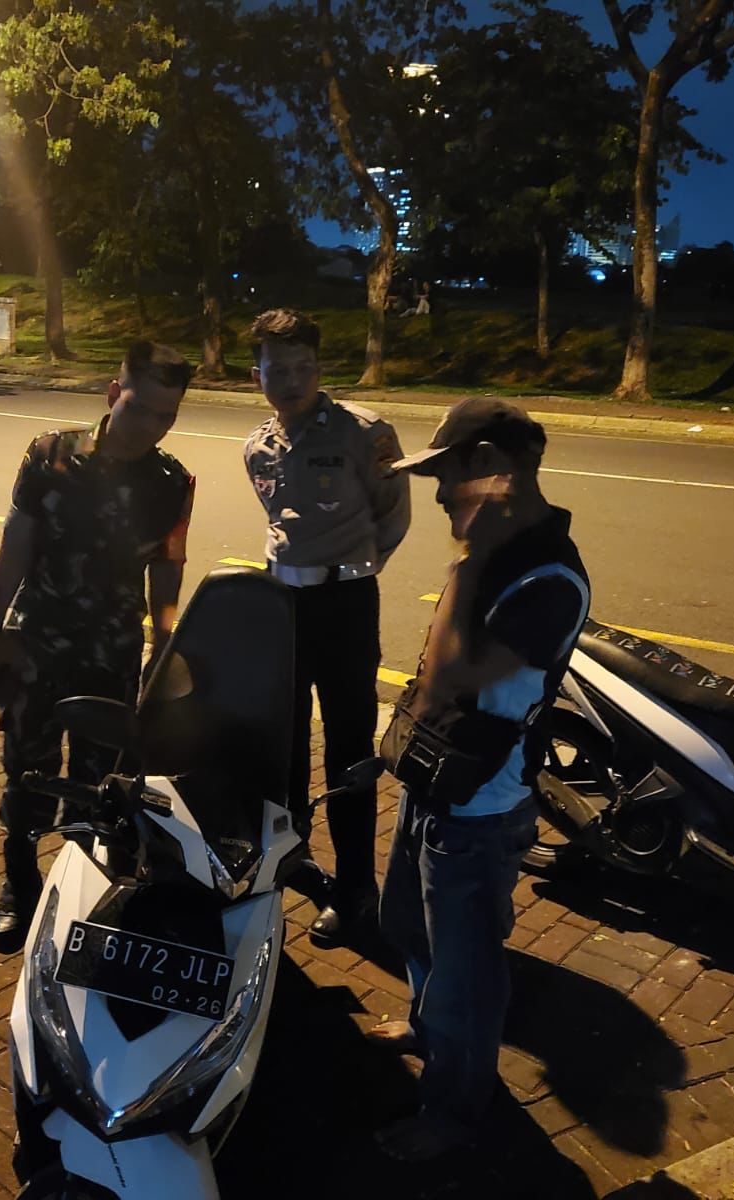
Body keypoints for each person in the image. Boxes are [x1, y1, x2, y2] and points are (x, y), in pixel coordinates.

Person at [371, 397, 591, 1162]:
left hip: (479, 807)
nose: (437, 494)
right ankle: (426, 1030)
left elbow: (450, 674)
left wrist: (466, 563)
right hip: (434, 779)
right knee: (409, 926)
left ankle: (454, 1113)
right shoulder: (500, 551)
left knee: (466, 974)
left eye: (446, 474)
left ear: (491, 466)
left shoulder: (548, 577)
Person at [0, 340, 196, 952]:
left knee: (102, 782)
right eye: (140, 408)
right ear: (113, 393)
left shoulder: (172, 482)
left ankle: (82, 886)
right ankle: (20, 882)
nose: (151, 426)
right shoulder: (51, 454)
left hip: (112, 651)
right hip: (37, 642)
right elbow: (16, 543)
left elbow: (168, 571)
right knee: (28, 770)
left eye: (167, 415)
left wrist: (165, 646)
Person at [241, 308, 410, 947]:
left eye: (302, 367)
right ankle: (294, 859)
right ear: (256, 374)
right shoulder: (257, 445)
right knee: (282, 746)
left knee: (349, 749)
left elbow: (393, 515)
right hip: (282, 607)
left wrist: (350, 570)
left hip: (345, 606)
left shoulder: (365, 433)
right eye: (276, 369)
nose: (290, 381)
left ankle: (357, 886)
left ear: (319, 368)